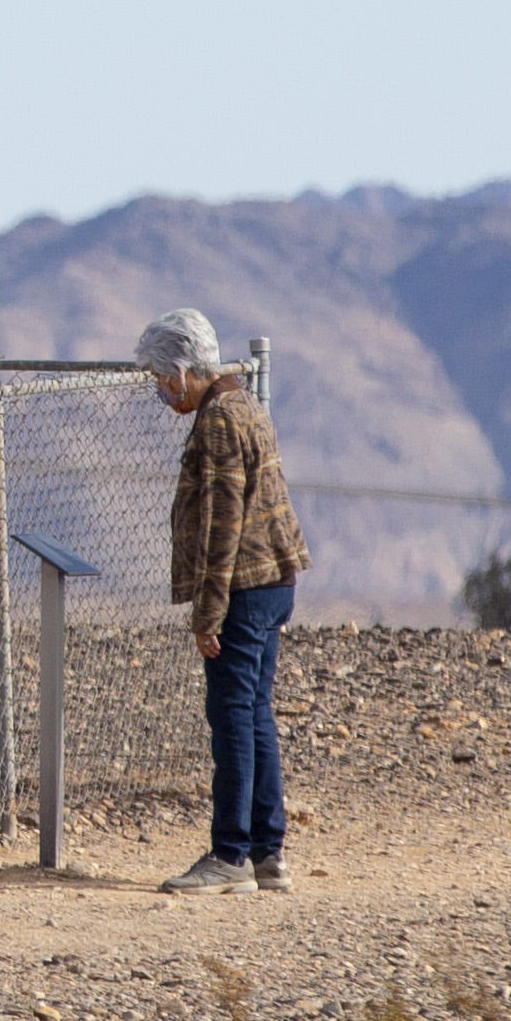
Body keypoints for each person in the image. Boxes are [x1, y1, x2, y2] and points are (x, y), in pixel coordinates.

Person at [137, 309, 310, 894]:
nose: (162, 389)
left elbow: (221, 526)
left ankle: (230, 855)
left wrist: (208, 613)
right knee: (254, 711)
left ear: (185, 371)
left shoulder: (216, 422)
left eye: (162, 376)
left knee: (232, 715)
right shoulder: (244, 407)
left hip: (243, 587)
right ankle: (268, 853)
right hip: (274, 580)